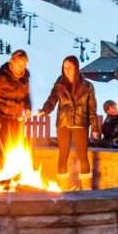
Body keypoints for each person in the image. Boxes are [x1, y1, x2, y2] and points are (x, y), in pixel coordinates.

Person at [37, 55, 97, 190]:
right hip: (63, 123)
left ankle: (86, 190)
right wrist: (45, 110)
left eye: (69, 67)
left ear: (76, 67)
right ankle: (63, 189)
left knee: (83, 156)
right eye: (64, 67)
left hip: (80, 123)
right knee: (63, 155)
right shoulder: (59, 83)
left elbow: (92, 109)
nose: (66, 70)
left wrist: (95, 128)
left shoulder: (87, 86)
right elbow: (52, 99)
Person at [0, 49, 32, 150]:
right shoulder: (1, 77)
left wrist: (28, 107)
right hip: (3, 120)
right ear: (12, 62)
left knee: (16, 148)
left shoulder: (25, 76)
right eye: (20, 65)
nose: (22, 68)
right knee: (5, 151)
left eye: (24, 65)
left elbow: (26, 95)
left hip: (17, 119)